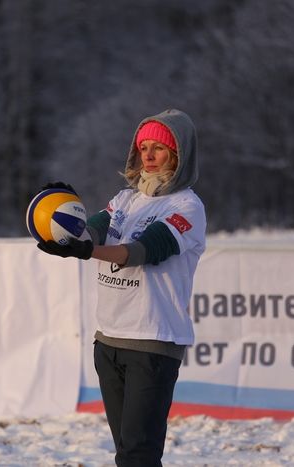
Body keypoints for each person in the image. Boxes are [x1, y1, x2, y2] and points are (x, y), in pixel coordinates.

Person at [37, 109, 206, 467]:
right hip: (108, 343)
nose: (147, 155)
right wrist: (65, 217)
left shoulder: (187, 206)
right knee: (127, 454)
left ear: (178, 155)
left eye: (158, 147)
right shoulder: (125, 199)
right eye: (143, 146)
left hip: (152, 345)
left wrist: (86, 250)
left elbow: (142, 251)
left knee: (138, 456)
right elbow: (91, 232)